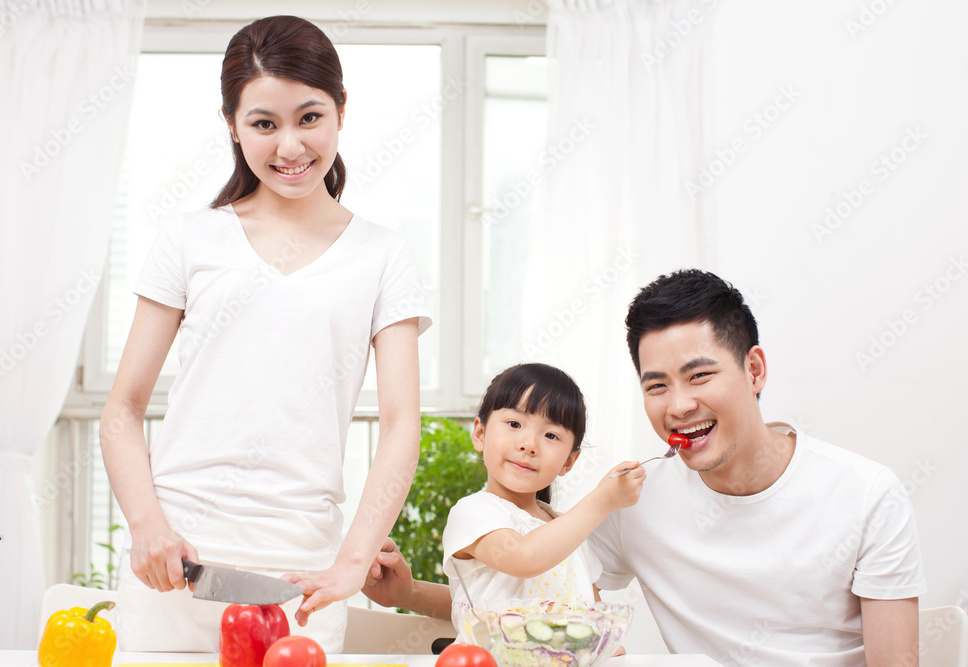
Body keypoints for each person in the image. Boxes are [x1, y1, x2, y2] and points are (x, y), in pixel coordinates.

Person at [363, 270, 925, 666]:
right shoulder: (636, 499)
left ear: (754, 370)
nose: (678, 404)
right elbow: (519, 591)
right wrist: (409, 593)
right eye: (657, 385)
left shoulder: (866, 495)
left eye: (699, 376)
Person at [100, 16, 430, 653]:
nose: (290, 146)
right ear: (232, 124)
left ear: (340, 111)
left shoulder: (384, 255)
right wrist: (148, 527)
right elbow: (123, 409)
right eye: (263, 123)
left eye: (309, 118)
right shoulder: (190, 239)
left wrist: (351, 562)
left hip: (301, 573)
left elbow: (400, 424)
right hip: (174, 562)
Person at [443, 363, 644, 636]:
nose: (529, 444)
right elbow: (523, 558)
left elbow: (596, 615)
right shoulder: (473, 512)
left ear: (569, 461)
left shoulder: (568, 532)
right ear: (480, 433)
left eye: (551, 435)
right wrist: (603, 500)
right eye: (514, 424)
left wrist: (605, 641)